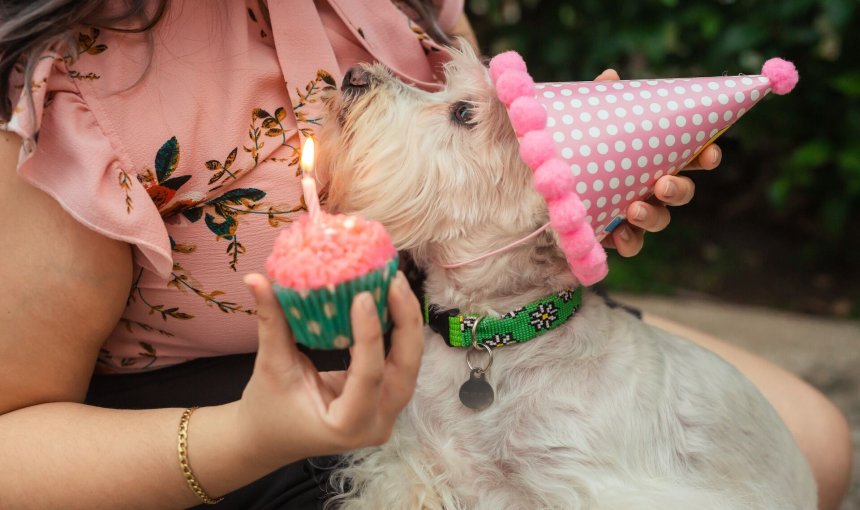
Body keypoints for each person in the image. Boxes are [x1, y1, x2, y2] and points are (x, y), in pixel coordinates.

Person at [0, 1, 850, 508]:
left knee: (813, 438)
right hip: (242, 402)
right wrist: (241, 440)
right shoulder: (78, 86)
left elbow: (478, 130)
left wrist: (576, 181)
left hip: (461, 312)